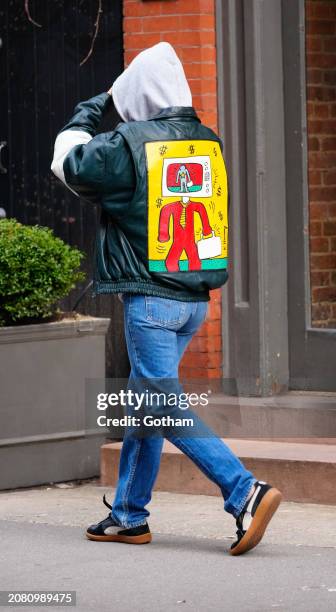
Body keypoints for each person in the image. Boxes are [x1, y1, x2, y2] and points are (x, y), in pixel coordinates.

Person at [51, 42, 282, 556]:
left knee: (160, 405)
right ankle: (129, 516)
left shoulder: (128, 144)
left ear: (137, 96)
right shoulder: (208, 141)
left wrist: (95, 103)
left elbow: (67, 163)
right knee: (145, 404)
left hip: (151, 303)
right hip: (193, 302)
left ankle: (244, 491)